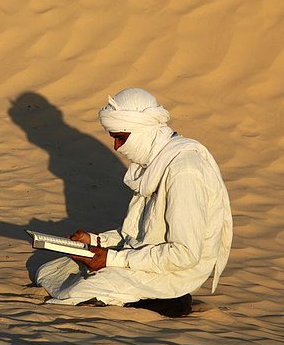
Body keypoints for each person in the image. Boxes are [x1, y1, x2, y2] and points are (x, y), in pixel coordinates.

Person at [35, 88, 233, 315]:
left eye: (121, 138)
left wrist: (112, 259)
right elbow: (139, 231)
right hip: (144, 257)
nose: (117, 148)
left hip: (175, 271)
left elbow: (185, 254)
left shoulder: (183, 171)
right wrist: (96, 240)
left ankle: (166, 301)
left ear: (142, 131)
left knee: (79, 291)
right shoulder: (154, 162)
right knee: (51, 271)